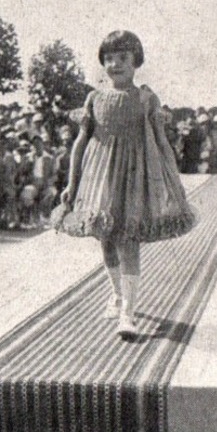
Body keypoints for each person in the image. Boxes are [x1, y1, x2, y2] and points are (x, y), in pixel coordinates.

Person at [56, 31, 197, 340]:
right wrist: (72, 183)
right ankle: (117, 293)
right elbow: (80, 145)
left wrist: (174, 181)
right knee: (105, 238)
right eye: (108, 58)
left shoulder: (146, 99)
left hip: (134, 177)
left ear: (136, 62)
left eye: (122, 58)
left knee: (128, 238)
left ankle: (128, 313)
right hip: (99, 177)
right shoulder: (94, 98)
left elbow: (162, 144)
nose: (114, 64)